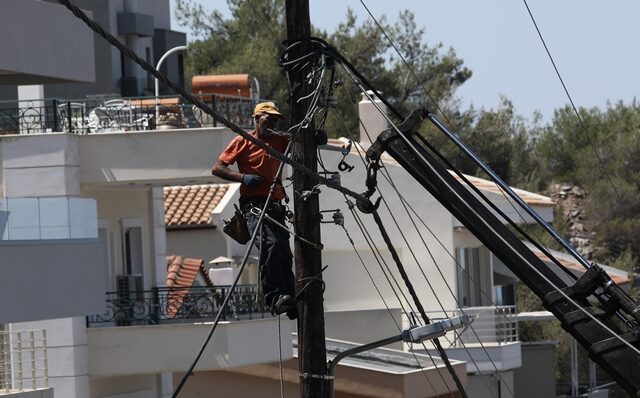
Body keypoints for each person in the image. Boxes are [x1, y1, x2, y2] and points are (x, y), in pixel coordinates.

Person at [211, 102, 297, 320]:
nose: (273, 123)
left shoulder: (280, 140)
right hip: (254, 206)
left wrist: (318, 137)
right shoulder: (242, 141)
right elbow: (218, 168)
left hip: (275, 206)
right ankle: (274, 297)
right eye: (268, 119)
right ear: (257, 118)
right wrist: (243, 178)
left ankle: (290, 296)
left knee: (284, 251)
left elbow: (302, 139)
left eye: (276, 120)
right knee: (272, 245)